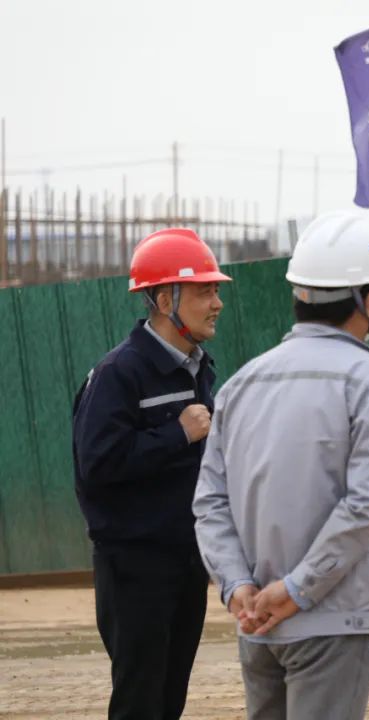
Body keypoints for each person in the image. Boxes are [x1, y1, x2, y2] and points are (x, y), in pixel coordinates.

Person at [192, 211, 369, 719]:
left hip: (258, 622)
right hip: (334, 621)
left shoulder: (242, 384)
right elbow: (368, 503)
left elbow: (210, 503)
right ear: (368, 299)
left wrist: (238, 587)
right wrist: (296, 591)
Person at [72, 227, 231, 719]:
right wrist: (176, 434)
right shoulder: (119, 373)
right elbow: (96, 465)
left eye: (215, 290)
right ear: (165, 300)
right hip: (134, 568)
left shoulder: (198, 368)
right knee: (140, 701)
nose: (217, 303)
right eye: (204, 292)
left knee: (169, 699)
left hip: (186, 561)